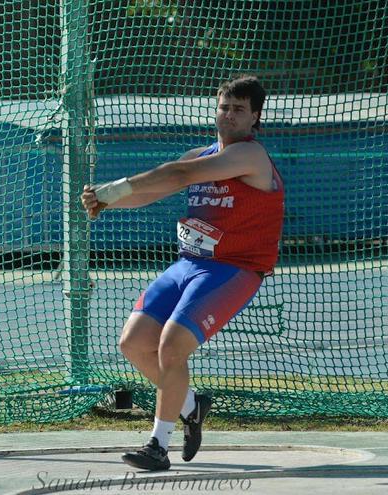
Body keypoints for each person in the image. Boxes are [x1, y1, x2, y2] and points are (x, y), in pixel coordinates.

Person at [80, 76, 284, 470]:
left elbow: (176, 175)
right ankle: (191, 405)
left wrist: (114, 189)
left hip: (233, 270)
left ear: (256, 116)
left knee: (171, 346)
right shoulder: (201, 154)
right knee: (134, 343)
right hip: (189, 264)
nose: (229, 115)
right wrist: (108, 203)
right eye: (224, 107)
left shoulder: (250, 156)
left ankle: (158, 444)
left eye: (239, 109)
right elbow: (154, 191)